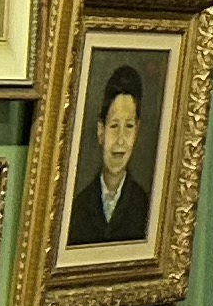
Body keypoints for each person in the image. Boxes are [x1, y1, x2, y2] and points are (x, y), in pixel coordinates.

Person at [63, 64, 152, 246]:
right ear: (100, 131)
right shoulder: (77, 206)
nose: (120, 140)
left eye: (129, 127)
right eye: (114, 126)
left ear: (137, 131)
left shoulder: (146, 206)